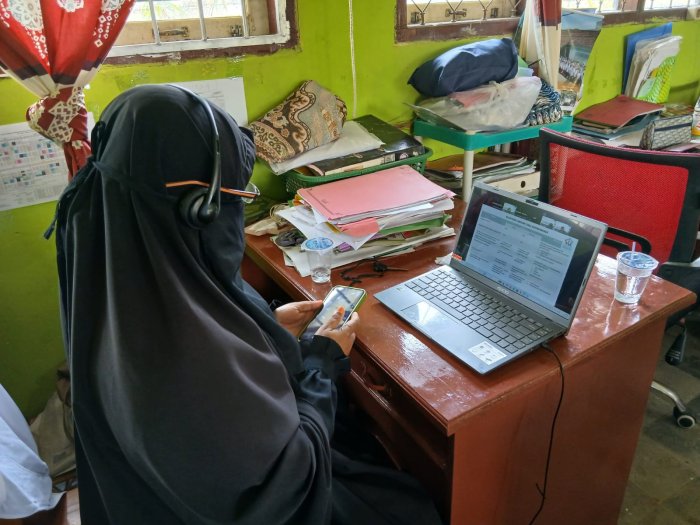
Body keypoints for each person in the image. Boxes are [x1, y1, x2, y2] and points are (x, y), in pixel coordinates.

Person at [51, 84, 443, 524]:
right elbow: (292, 487)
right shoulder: (189, 364)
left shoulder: (108, 261)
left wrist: (263, 331)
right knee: (409, 503)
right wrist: (320, 366)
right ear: (198, 209)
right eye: (235, 198)